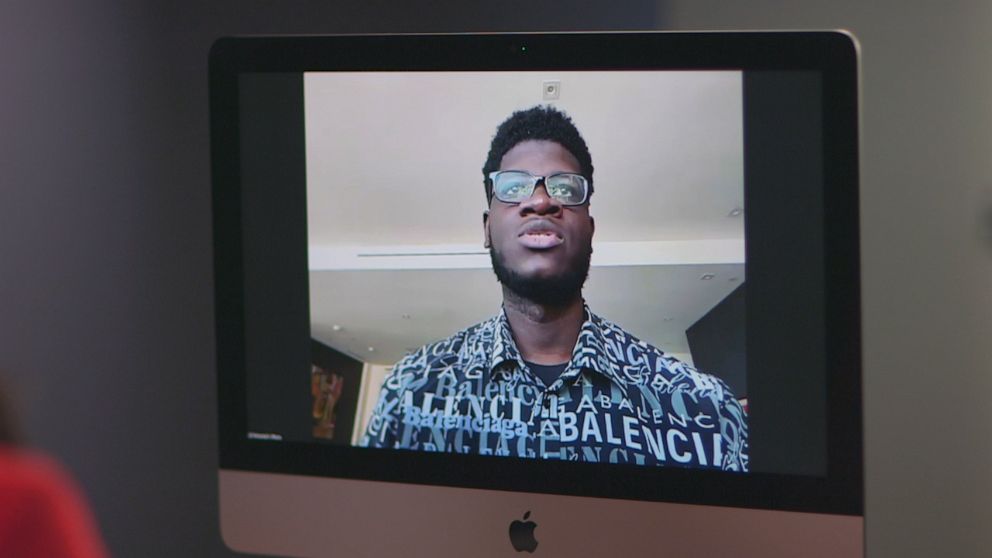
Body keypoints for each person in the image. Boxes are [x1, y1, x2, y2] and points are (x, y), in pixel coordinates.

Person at [360, 106, 748, 471]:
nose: (541, 200)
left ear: (590, 231)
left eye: (565, 188)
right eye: (513, 187)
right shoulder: (411, 390)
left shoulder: (703, 406)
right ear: (486, 229)